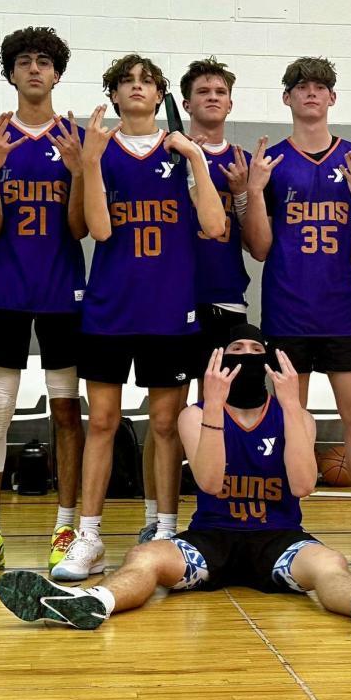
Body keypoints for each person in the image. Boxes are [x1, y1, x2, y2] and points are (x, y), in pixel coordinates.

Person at [0, 327, 351, 633]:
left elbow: (303, 485)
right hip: (211, 539)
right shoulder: (194, 414)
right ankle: (90, 603)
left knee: (330, 563)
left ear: (270, 362)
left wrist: (291, 408)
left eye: (255, 351)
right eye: (236, 351)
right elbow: (209, 481)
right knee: (145, 557)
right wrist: (216, 407)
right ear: (217, 364)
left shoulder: (295, 416)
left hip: (278, 538)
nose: (246, 358)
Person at [52, 54, 227, 581]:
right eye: (126, 81)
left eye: (146, 82)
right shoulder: (102, 150)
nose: (136, 87)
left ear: (159, 95)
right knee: (102, 422)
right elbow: (100, 230)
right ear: (113, 94)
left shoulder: (180, 150)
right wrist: (88, 164)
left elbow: (215, 225)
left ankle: (166, 530)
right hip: (109, 307)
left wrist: (197, 159)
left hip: (170, 308)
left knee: (166, 425)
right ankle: (89, 537)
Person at [239, 56, 351, 568]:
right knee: (290, 418)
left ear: (332, 98)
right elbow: (259, 249)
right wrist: (254, 190)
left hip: (344, 309)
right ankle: (282, 522)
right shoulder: (271, 162)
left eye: (320, 86)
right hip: (287, 310)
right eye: (301, 86)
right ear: (286, 98)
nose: (311, 93)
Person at [0, 26, 87, 574]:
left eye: (43, 61)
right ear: (11, 74)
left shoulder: (77, 138)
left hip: (63, 290)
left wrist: (79, 172)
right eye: (24, 61)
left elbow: (80, 228)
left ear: (56, 74)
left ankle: (66, 528)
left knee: (66, 412)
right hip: (5, 289)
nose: (34, 69)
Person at [138, 56, 253, 542]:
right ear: (184, 104)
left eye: (219, 91)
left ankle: (221, 516)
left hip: (225, 301)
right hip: (171, 300)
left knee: (222, 415)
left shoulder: (242, 161)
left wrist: (244, 195)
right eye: (202, 91)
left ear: (230, 103)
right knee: (164, 418)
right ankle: (156, 519)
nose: (212, 97)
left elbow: (256, 243)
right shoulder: (163, 154)